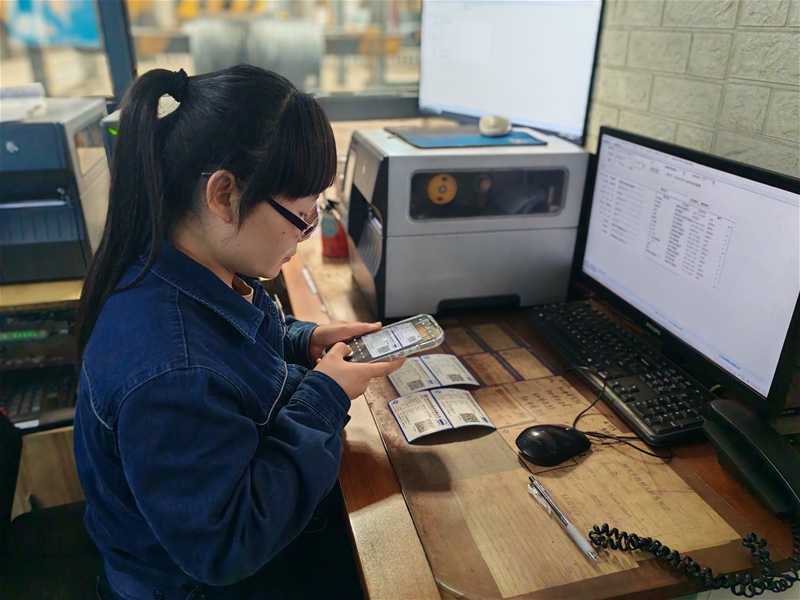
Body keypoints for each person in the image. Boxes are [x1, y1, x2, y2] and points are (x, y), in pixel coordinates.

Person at [73, 65, 404, 600]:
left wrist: (301, 341)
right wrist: (325, 397)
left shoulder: (187, 266)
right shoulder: (171, 373)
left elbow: (234, 348)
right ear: (224, 195)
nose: (306, 232)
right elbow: (228, 544)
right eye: (300, 217)